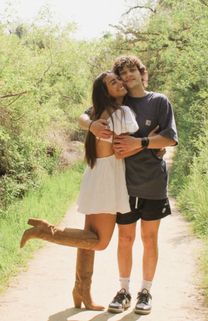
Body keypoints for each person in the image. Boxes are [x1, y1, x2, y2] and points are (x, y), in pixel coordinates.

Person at [20, 71, 139, 311]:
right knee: (100, 242)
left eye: (118, 80)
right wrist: (147, 145)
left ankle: (81, 291)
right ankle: (45, 231)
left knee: (88, 238)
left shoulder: (98, 112)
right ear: (106, 92)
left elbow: (85, 119)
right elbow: (122, 149)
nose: (120, 83)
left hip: (96, 175)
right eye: (114, 82)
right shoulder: (121, 112)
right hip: (107, 179)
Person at [78, 55, 178, 315]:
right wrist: (91, 126)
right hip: (124, 184)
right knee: (125, 238)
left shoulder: (158, 101)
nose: (128, 75)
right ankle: (123, 290)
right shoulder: (116, 101)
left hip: (154, 182)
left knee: (149, 237)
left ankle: (146, 292)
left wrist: (141, 142)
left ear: (140, 71)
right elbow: (84, 116)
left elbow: (169, 139)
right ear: (118, 80)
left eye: (132, 69)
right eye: (122, 73)